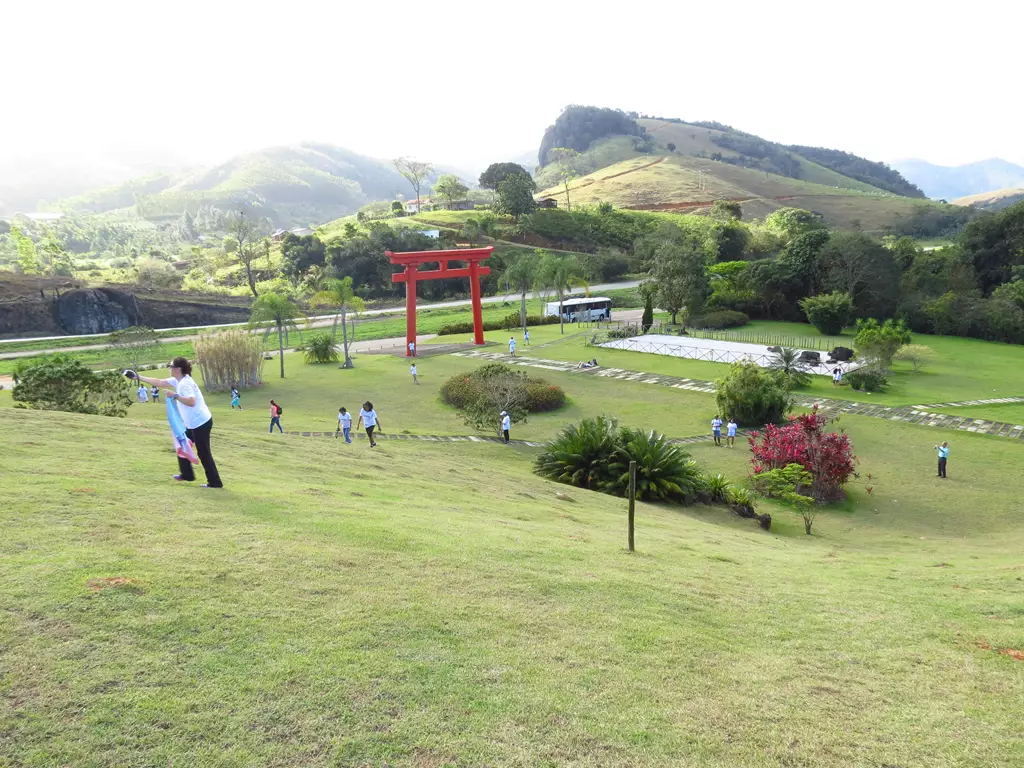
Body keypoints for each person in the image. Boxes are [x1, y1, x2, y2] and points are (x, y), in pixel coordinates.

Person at [127, 357, 223, 488]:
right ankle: (187, 474)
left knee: (203, 453)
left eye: (171, 366)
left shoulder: (185, 384)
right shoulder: (178, 380)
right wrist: (137, 377)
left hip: (200, 422)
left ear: (178, 369)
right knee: (182, 442)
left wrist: (175, 395)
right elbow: (159, 382)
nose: (169, 368)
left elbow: (191, 401)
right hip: (192, 423)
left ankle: (215, 482)